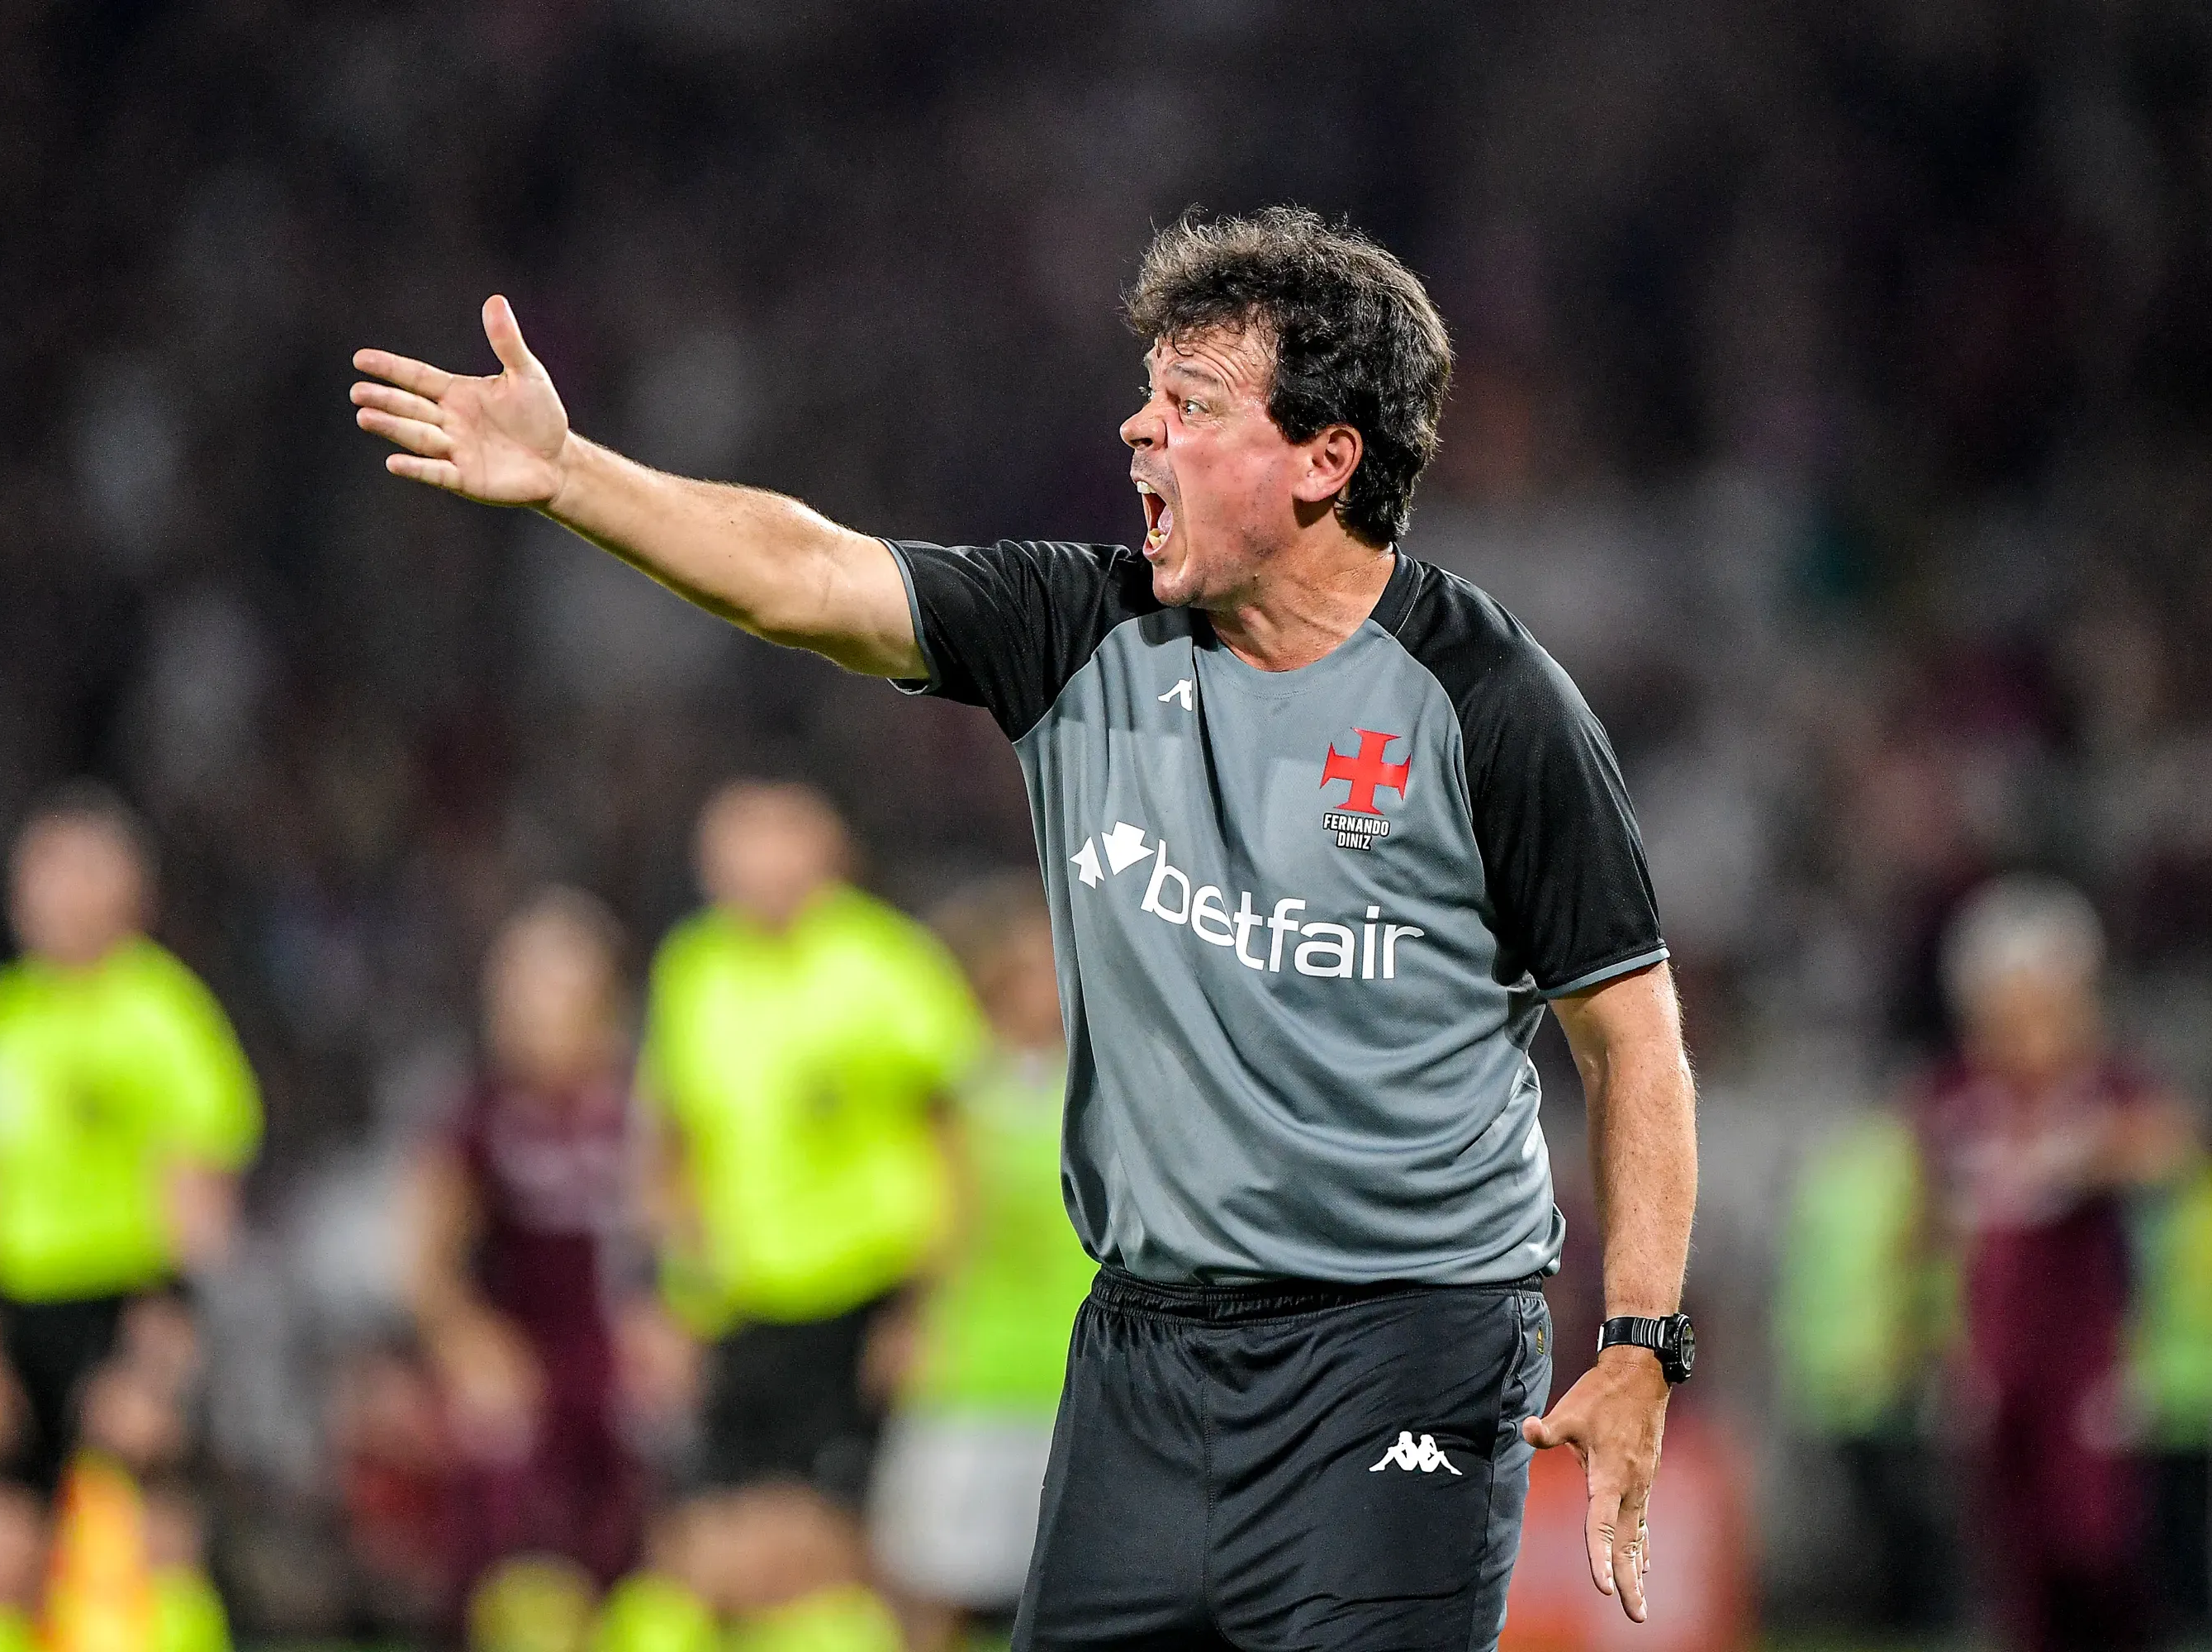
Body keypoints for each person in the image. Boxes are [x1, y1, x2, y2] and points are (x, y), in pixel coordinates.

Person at [353, 203, 1701, 1650]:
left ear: (1326, 458)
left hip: (1404, 1348)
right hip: (1148, 1353)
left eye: (1192, 403)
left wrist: (1640, 1339)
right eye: (1148, 392)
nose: (1139, 429)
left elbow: (1632, 1041)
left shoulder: (1492, 706)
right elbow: (807, 571)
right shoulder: (1082, 634)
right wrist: (572, 477)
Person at [625, 780, 983, 1644]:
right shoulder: (695, 968)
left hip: (862, 1292)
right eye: (732, 852)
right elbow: (673, 1146)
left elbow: (953, 1147)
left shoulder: (886, 962)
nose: (752, 869)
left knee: (856, 1543)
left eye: (773, 843)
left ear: (827, 854)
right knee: (715, 1538)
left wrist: (926, 1308)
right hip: (743, 1298)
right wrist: (669, 1296)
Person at [0, 787, 260, 1652]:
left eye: (74, 871)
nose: (48, 892)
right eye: (36, 871)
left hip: (126, 1301)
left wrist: (158, 1355)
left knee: (154, 1543)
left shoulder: (164, 1015)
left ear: (128, 892)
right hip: (16, 1304)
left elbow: (204, 1205)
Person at [1915, 874, 2200, 1652]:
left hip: (2084, 1361)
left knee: (2095, 1548)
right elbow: (1934, 1229)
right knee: (2020, 1562)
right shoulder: (1958, 1097)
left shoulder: (2103, 1091)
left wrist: (2086, 1156)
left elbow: (2169, 1145)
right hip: (1996, 1365)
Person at [401, 889, 647, 1631]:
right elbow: (426, 1258)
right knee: (499, 1499)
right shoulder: (479, 1112)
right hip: (521, 1348)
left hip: (616, 1345)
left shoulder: (644, 1106)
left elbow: (689, 1226)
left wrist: (671, 1321)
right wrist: (466, 1340)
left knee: (636, 1528)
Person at [867, 875, 1097, 1651]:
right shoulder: (954, 1087)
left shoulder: (1109, 1088)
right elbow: (935, 1222)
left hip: (1075, 1369)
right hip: (970, 1369)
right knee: (935, 1577)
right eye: (1026, 968)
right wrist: (912, 1320)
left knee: (1069, 1584)